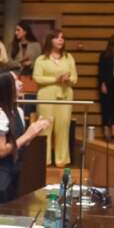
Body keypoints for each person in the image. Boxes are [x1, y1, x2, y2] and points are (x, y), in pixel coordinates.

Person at [0, 72, 51, 205]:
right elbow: (1, 150)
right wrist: (28, 134)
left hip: (13, 172)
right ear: (5, 88)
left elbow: (19, 142)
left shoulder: (17, 110)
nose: (21, 83)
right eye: (15, 81)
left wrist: (33, 132)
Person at [33, 30, 78, 167]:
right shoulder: (41, 59)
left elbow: (75, 78)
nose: (60, 40)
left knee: (63, 127)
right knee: (45, 127)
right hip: (46, 95)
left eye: (62, 38)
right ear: (50, 40)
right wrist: (55, 79)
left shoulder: (68, 57)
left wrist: (68, 78)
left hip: (65, 95)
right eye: (57, 38)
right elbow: (37, 77)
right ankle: (44, 160)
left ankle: (61, 160)